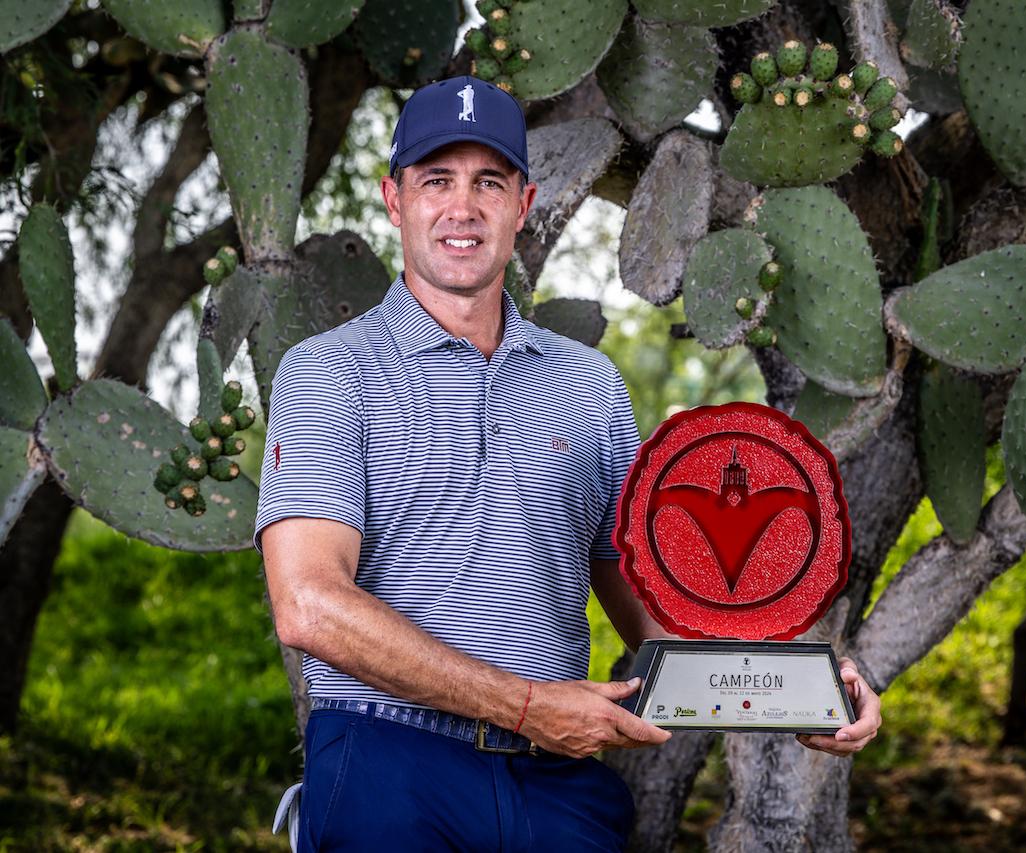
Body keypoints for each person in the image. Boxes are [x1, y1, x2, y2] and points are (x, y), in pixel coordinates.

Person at [256, 75, 882, 852]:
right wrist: (522, 704)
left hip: (557, 786)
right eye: (436, 181)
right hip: (391, 768)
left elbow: (653, 595)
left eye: (489, 181)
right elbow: (309, 604)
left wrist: (800, 687)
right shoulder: (329, 371)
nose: (463, 207)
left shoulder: (587, 383)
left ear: (524, 202)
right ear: (393, 199)